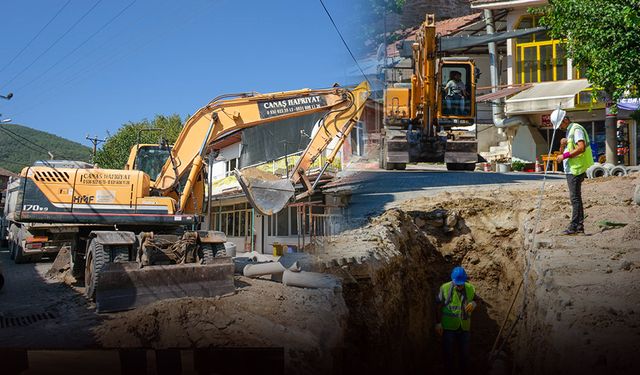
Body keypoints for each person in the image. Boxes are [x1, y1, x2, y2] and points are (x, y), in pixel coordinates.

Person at [556, 116, 594, 235]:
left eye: (560, 124)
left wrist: (564, 156)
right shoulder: (569, 131)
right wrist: (562, 145)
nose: (560, 127)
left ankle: (574, 226)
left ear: (565, 120)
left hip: (576, 169)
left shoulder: (576, 129)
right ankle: (578, 227)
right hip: (571, 169)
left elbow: (581, 148)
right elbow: (565, 151)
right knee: (576, 197)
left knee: (575, 198)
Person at [435, 266, 476, 371]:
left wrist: (474, 303)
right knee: (448, 353)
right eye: (457, 284)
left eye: (461, 284)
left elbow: (475, 299)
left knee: (465, 354)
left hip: (464, 327)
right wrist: (438, 323)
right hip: (448, 327)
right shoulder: (444, 287)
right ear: (452, 279)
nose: (459, 286)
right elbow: (437, 305)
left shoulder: (470, 288)